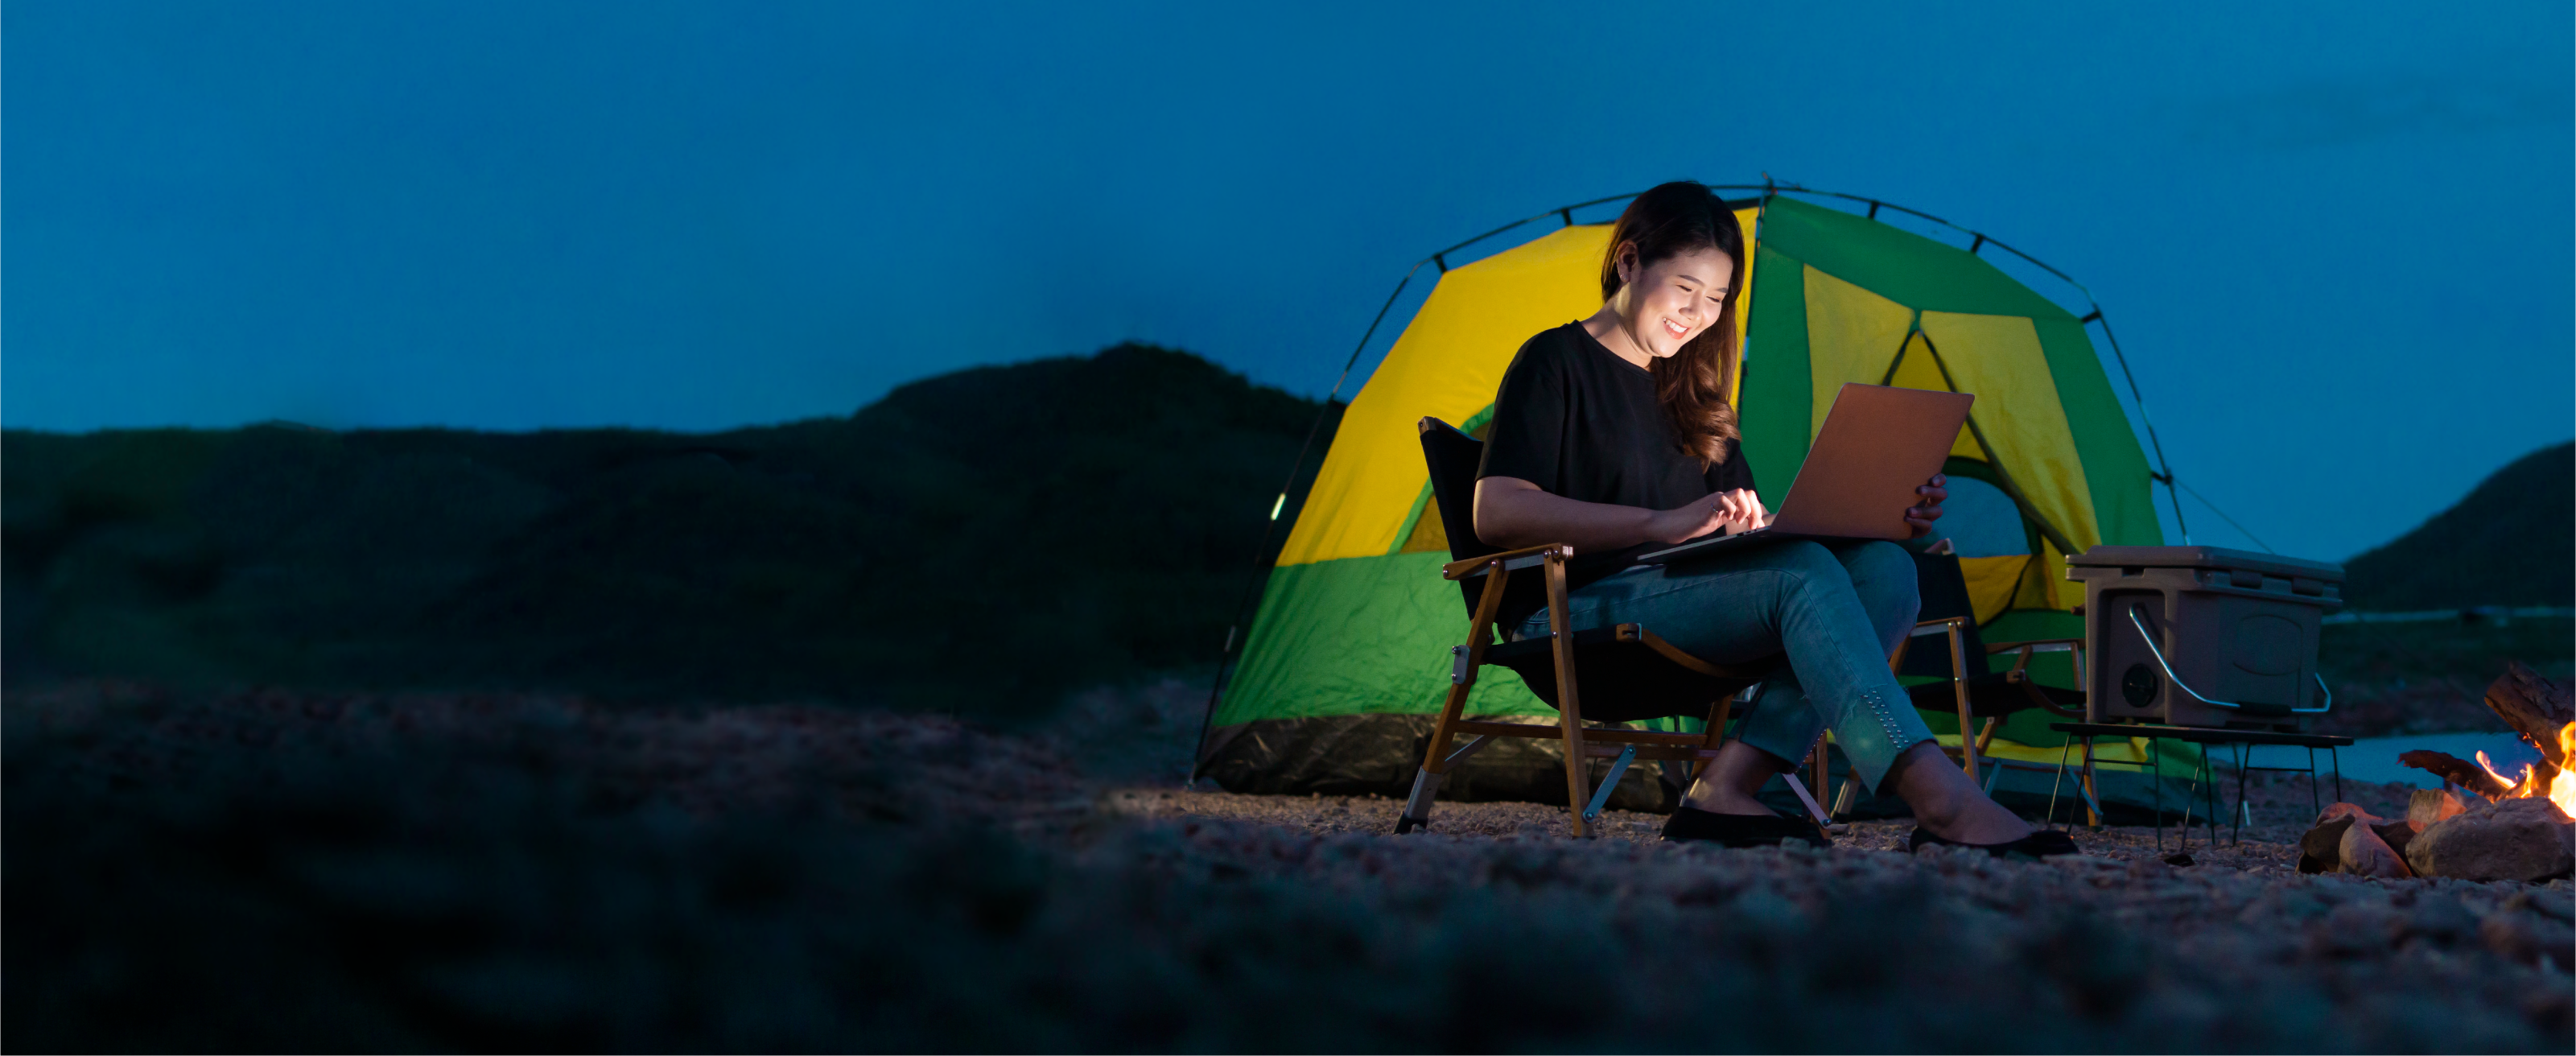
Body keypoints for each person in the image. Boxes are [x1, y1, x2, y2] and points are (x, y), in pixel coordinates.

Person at [1470, 180, 2074, 857]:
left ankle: (1726, 787)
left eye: (1717, 300)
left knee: (1884, 570)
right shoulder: (1554, 362)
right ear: (1629, 262)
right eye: (1685, 289)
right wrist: (1656, 523)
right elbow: (1496, 511)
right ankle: (1937, 794)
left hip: (1688, 603)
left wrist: (1884, 516)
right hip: (1574, 614)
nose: (1698, 315)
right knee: (1802, 575)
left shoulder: (1694, 399)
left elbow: (1758, 533)